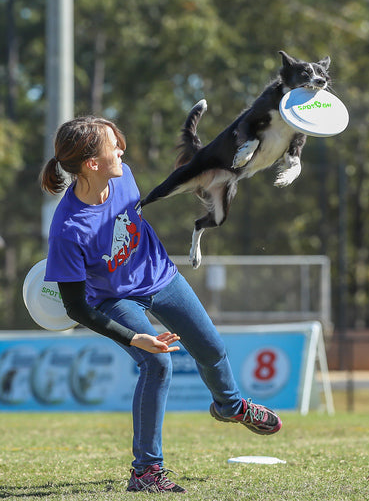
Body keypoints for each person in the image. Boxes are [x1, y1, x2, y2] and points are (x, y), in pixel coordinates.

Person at [39, 116, 282, 493]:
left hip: (160, 275)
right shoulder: (68, 230)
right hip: (112, 298)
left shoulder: (124, 176)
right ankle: (146, 471)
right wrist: (134, 338)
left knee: (212, 350)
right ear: (91, 163)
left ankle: (230, 406)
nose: (122, 149)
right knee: (157, 362)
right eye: (113, 145)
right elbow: (77, 308)